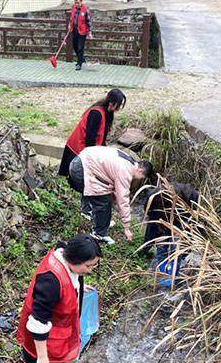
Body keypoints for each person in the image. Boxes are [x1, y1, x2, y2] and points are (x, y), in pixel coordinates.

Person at [16, 234, 102, 363]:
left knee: (70, 361)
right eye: (88, 266)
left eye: (94, 265)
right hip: (48, 340)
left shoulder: (68, 261)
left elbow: (72, 278)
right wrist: (42, 357)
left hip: (65, 330)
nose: (90, 270)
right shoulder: (50, 281)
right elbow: (38, 321)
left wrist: (79, 287)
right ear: (74, 259)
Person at [59, 89, 127, 219]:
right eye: (119, 105)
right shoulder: (96, 113)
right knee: (88, 180)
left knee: (90, 180)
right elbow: (90, 137)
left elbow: (101, 137)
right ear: (111, 103)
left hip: (89, 149)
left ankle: (88, 208)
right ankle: (87, 210)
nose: (120, 108)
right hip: (79, 148)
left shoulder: (108, 113)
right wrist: (93, 159)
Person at [66, 146, 153, 245]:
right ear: (140, 171)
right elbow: (123, 199)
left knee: (95, 189)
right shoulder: (126, 171)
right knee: (104, 201)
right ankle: (99, 234)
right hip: (82, 170)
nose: (139, 179)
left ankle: (88, 212)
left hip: (80, 160)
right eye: (142, 177)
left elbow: (113, 182)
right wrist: (126, 226)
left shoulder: (129, 160)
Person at [141, 182, 200, 274]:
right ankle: (163, 273)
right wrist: (160, 225)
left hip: (181, 220)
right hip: (160, 221)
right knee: (161, 246)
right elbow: (149, 213)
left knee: (176, 248)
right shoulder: (152, 197)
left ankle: (173, 273)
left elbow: (195, 212)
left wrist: (187, 227)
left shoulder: (188, 194)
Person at [68, 0, 92, 71]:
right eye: (75, 2)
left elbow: (89, 21)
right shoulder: (73, 7)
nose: (76, 4)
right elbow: (72, 17)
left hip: (82, 31)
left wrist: (89, 32)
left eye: (78, 3)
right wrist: (69, 24)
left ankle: (79, 64)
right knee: (75, 46)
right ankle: (81, 58)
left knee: (80, 47)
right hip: (74, 30)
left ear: (81, 1)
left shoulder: (86, 9)